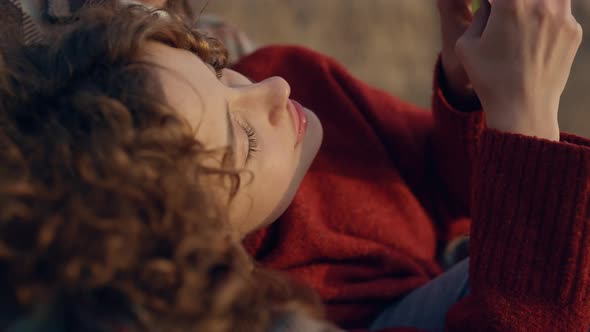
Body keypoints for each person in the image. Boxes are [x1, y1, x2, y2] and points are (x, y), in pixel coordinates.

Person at [0, 0, 588, 331]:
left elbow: (446, 181)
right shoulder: (269, 311)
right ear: (196, 249)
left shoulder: (298, 87)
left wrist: (471, 81)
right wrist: (525, 114)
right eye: (244, 140)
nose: (272, 89)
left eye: (218, 73)